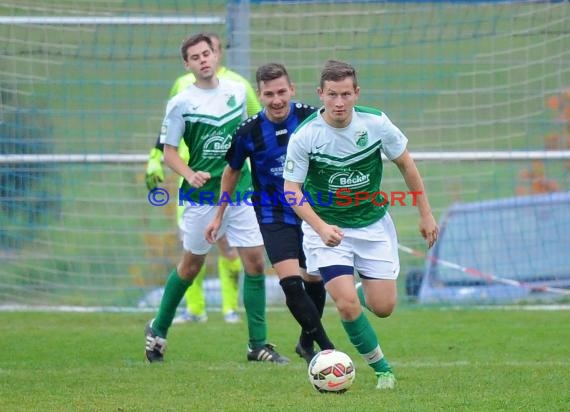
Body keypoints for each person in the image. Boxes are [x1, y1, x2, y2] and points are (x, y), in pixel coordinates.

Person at [283, 60, 439, 389]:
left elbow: (407, 166)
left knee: (383, 307)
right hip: (326, 231)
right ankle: (383, 370)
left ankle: (358, 290)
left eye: (345, 94)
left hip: (371, 224)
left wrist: (425, 213)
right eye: (331, 95)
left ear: (356, 93)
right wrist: (320, 227)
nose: (339, 103)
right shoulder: (306, 135)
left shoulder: (376, 123)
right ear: (320, 94)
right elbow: (291, 192)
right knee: (346, 305)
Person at [144, 33, 288, 364]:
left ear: (216, 55)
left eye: (206, 53)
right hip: (200, 196)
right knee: (191, 265)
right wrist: (188, 173)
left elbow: (256, 131)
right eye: (195, 57)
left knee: (254, 262)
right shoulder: (181, 102)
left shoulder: (237, 92)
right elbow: (168, 153)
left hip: (240, 192)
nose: (203, 60)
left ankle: (258, 344)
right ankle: (158, 328)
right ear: (187, 64)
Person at [205, 63, 335, 364]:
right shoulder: (248, 131)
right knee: (290, 282)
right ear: (260, 95)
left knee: (314, 281)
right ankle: (328, 350)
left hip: (311, 212)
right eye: (268, 94)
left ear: (291, 90)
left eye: (281, 92)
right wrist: (218, 214)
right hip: (272, 214)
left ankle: (306, 342)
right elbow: (232, 171)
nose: (276, 99)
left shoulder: (313, 118)